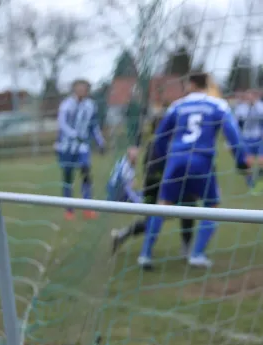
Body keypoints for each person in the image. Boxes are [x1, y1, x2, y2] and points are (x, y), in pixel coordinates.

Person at [137, 72, 250, 271]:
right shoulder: (218, 105)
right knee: (211, 206)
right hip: (201, 160)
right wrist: (241, 161)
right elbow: (233, 135)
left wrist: (164, 160)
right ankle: (196, 254)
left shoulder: (177, 106)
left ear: (190, 84)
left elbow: (160, 137)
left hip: (176, 160)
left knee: (162, 207)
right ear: (206, 84)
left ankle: (145, 255)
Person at [109, 140, 198, 257]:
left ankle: (124, 235)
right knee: (179, 209)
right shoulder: (162, 144)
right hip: (160, 187)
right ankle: (146, 252)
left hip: (157, 186)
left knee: (181, 209)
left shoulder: (162, 141)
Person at [55, 79, 105, 220]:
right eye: (79, 88)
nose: (82, 91)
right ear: (74, 89)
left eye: (85, 88)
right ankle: (69, 210)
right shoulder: (66, 105)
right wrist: (73, 134)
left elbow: (94, 126)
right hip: (66, 147)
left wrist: (100, 141)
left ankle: (87, 207)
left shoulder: (91, 105)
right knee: (68, 177)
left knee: (86, 172)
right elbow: (62, 124)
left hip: (82, 146)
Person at [235, 89, 263, 195]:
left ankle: (259, 182)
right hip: (246, 138)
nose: (250, 98)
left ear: (256, 96)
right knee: (249, 163)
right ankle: (251, 185)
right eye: (248, 96)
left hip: (259, 138)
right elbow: (238, 125)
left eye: (252, 96)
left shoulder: (262, 106)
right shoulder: (241, 109)